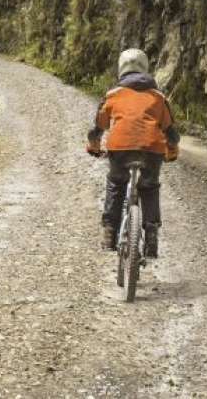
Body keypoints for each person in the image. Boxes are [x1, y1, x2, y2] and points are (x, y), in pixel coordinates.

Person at [86, 48, 180, 257]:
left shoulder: (112, 95)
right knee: (149, 186)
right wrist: (171, 151)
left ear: (121, 69)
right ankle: (152, 236)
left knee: (116, 183)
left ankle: (109, 233)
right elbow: (171, 133)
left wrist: (94, 147)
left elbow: (97, 129)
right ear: (145, 68)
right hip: (152, 149)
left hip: (119, 148)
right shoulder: (158, 97)